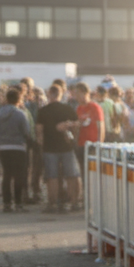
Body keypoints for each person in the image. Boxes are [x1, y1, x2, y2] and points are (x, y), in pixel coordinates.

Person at [36, 84, 80, 213]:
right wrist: (73, 138)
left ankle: (52, 204)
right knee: (72, 176)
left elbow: (39, 131)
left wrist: (41, 145)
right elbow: (76, 125)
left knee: (52, 177)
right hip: (67, 146)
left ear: (49, 94)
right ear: (61, 94)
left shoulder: (43, 111)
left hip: (49, 147)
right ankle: (74, 203)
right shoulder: (67, 108)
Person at [0, 86, 33, 212]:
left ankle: (7, 203)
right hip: (18, 147)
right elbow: (26, 131)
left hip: (4, 146)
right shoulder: (20, 114)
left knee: (7, 175)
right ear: (19, 99)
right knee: (18, 175)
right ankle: (18, 203)